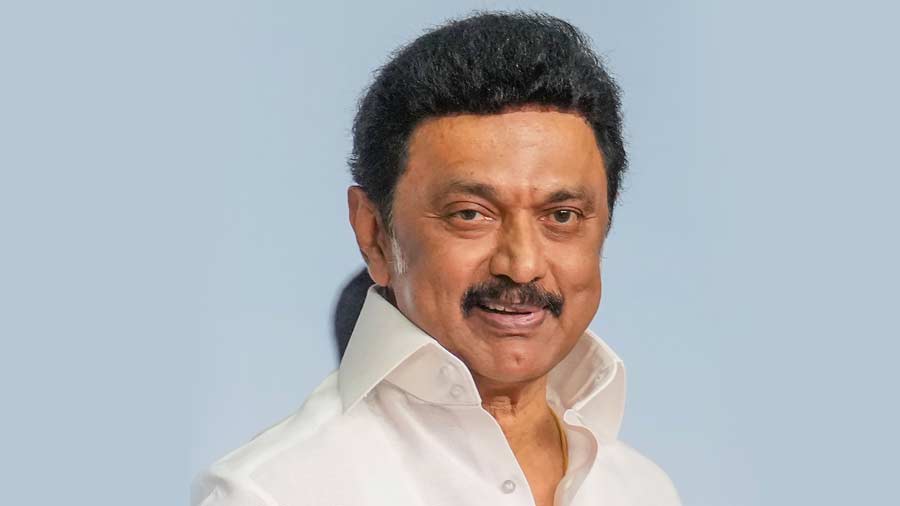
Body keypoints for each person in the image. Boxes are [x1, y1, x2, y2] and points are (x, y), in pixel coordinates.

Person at [193, 11, 680, 506]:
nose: (522, 265)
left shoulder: (643, 490)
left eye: (561, 215)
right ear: (374, 234)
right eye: (470, 214)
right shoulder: (274, 492)